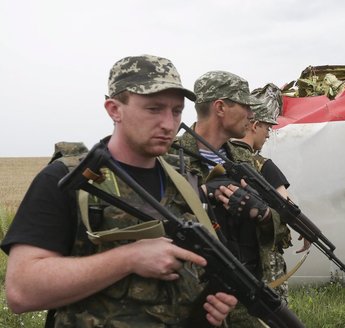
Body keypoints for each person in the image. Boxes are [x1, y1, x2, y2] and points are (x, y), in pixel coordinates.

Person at [1, 55, 237, 327]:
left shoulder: (186, 180)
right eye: (154, 109)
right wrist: (128, 258)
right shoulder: (67, 178)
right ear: (114, 109)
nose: (168, 123)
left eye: (176, 111)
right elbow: (21, 290)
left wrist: (211, 307)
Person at [170, 71, 288, 327]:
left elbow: (281, 227)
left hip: (248, 298)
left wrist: (265, 214)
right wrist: (201, 197)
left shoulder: (248, 162)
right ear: (220, 107)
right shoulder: (172, 158)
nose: (251, 115)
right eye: (245, 106)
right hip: (198, 303)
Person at [228, 83, 312, 303]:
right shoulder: (263, 165)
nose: (268, 135)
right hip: (261, 262)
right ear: (254, 125)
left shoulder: (219, 158)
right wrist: (306, 230)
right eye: (267, 128)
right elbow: (288, 207)